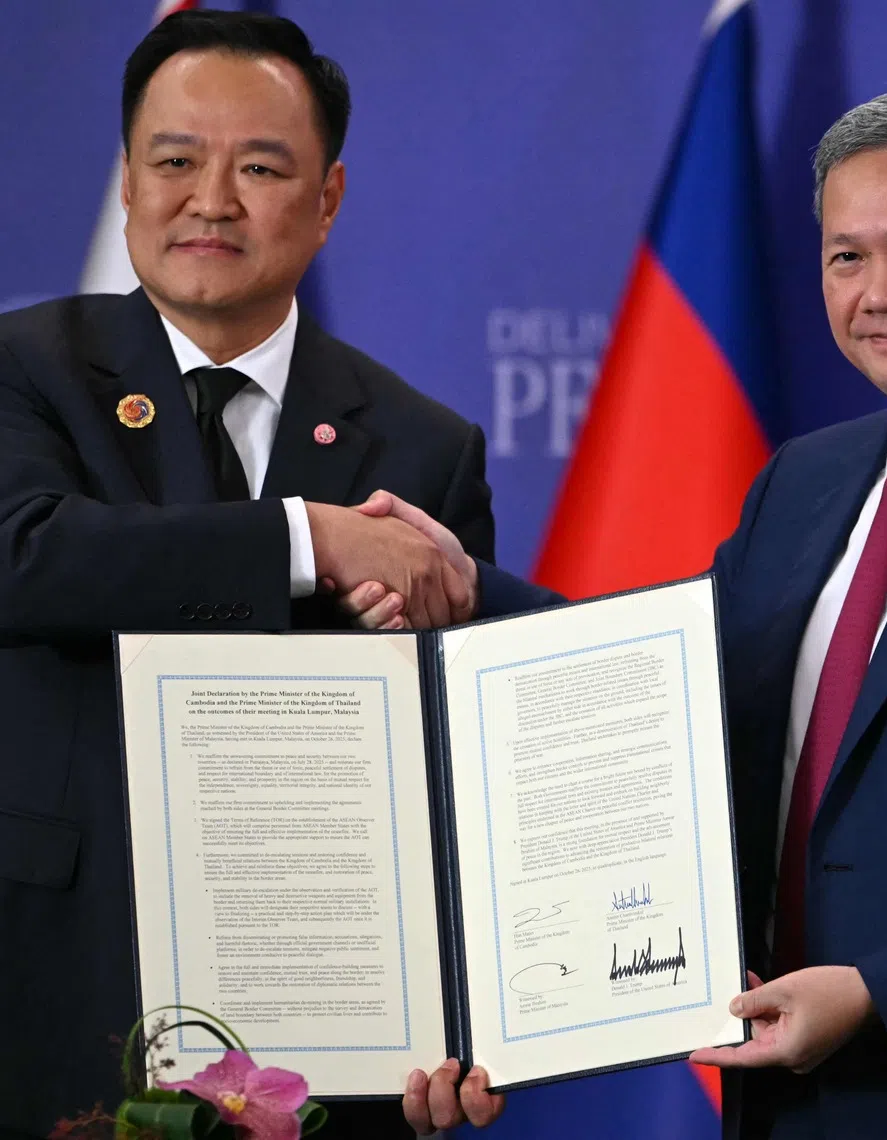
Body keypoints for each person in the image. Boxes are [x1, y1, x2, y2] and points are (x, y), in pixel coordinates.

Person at [365, 93, 887, 1138]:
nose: (879, 294)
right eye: (844, 258)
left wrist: (878, 991)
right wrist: (466, 589)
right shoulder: (805, 483)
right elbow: (666, 708)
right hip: (782, 1092)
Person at [0, 10, 492, 1139]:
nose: (210, 200)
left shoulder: (428, 447)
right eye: (175, 161)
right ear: (127, 181)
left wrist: (471, 1016)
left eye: (260, 167)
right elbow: (24, 558)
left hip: (329, 1031)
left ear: (327, 200)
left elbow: (452, 766)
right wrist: (311, 544)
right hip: (50, 996)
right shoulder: (21, 370)